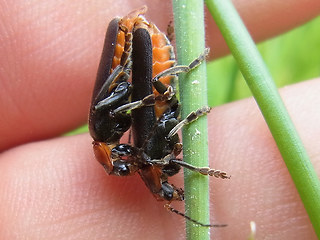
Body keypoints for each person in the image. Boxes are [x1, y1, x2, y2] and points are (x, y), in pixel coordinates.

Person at [0, 0, 319, 239]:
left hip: (133, 53)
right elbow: (130, 97)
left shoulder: (103, 130)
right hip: (145, 68)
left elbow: (116, 93)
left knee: (147, 92)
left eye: (119, 163)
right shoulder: (120, 136)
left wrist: (143, 96)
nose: (128, 160)